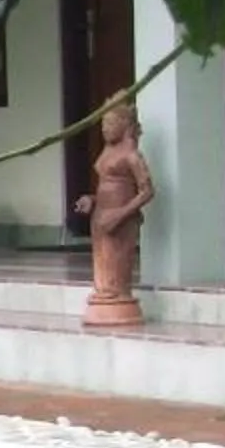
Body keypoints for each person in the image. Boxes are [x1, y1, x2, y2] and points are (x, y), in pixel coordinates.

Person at [77, 98, 155, 322]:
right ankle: (105, 300)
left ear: (124, 126)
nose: (105, 129)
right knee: (101, 267)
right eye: (103, 125)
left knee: (116, 271)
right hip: (101, 216)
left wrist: (120, 214)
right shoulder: (107, 152)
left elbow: (147, 191)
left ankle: (116, 301)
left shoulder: (131, 155)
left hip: (120, 219)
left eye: (110, 124)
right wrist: (91, 199)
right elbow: (105, 187)